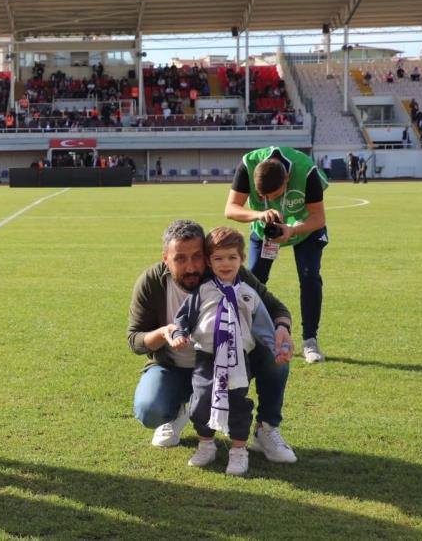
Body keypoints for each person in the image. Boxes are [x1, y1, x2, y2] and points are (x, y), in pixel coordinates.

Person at [127, 219, 297, 463]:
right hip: (174, 367)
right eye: (180, 258)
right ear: (165, 258)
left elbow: (275, 307)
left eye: (197, 256)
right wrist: (164, 333)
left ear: (206, 256)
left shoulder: (225, 272)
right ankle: (177, 411)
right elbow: (135, 340)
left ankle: (266, 428)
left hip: (228, 364)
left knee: (275, 354)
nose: (191, 267)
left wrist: (282, 328)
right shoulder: (151, 282)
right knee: (150, 410)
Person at [170, 227, 285, 476]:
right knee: (201, 402)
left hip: (238, 359)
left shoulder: (249, 294)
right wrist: (179, 334)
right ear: (209, 262)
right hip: (206, 358)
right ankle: (206, 445)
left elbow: (264, 326)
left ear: (241, 259)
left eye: (232, 257)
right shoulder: (203, 291)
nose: (225, 264)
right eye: (218, 258)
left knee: (237, 403)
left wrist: (278, 348)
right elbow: (182, 318)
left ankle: (239, 451)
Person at [224, 146, 329, 363]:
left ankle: (310, 340)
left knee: (309, 276)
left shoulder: (306, 171)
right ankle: (244, 335)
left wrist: (292, 230)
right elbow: (231, 209)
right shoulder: (248, 164)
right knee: (252, 279)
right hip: (265, 230)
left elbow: (318, 218)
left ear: (287, 179)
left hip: (304, 228)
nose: (269, 199)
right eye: (263, 196)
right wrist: (259, 214)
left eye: (275, 195)